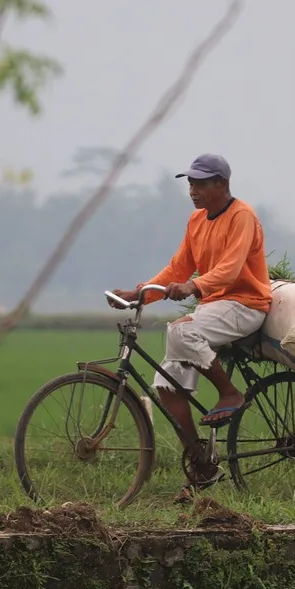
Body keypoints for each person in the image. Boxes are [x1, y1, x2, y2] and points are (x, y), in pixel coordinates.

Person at [108, 153, 272, 490]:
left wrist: (194, 286)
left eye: (200, 183)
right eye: (190, 183)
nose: (193, 190)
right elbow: (177, 269)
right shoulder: (196, 221)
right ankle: (201, 462)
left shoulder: (243, 216)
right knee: (166, 384)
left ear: (222, 184)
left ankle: (229, 393)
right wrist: (139, 293)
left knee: (181, 328)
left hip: (246, 304)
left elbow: (229, 267)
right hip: (215, 307)